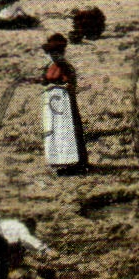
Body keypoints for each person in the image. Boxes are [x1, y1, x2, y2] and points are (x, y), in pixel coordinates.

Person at [41, 33, 89, 175]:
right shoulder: (48, 67)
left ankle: (77, 162)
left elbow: (72, 84)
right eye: (52, 53)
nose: (54, 56)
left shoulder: (67, 67)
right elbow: (43, 82)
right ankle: (58, 160)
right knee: (55, 131)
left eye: (57, 53)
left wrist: (63, 87)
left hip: (66, 104)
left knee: (70, 130)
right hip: (52, 105)